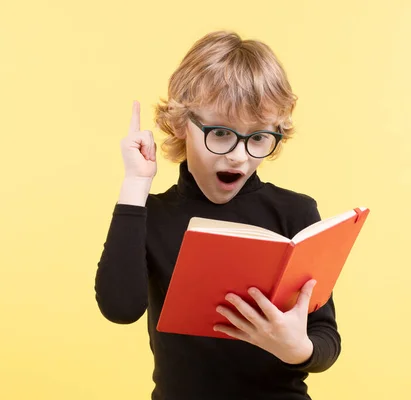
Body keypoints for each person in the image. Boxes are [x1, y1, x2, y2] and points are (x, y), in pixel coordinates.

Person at [94, 31, 341, 400]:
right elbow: (119, 308)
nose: (239, 157)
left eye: (259, 137)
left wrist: (296, 348)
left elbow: (326, 338)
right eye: (222, 133)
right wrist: (135, 183)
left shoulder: (296, 211)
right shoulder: (153, 215)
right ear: (181, 124)